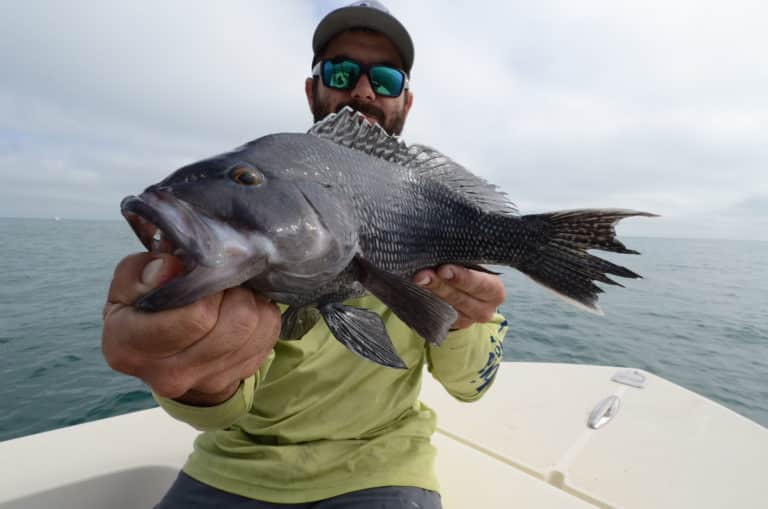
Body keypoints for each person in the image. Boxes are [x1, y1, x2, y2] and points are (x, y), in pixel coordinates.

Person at [102, 2, 508, 508]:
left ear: (406, 100)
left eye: (384, 78)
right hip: (232, 466)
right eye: (340, 71)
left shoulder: (434, 209)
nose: (362, 90)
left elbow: (472, 387)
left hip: (383, 467)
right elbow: (221, 409)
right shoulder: (263, 204)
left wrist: (464, 321)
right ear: (312, 88)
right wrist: (197, 376)